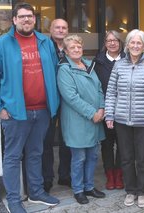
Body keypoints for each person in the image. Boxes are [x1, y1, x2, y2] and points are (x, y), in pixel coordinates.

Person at [0, 2, 60, 212]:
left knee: (36, 153)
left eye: (30, 16)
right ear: (14, 20)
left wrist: (54, 103)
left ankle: (36, 192)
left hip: (42, 110)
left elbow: (53, 70)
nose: (26, 19)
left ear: (35, 19)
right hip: (15, 113)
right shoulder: (3, 43)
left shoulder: (45, 42)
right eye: (22, 16)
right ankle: (14, 199)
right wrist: (0, 107)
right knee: (13, 156)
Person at [105, 29, 144, 208]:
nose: (135, 46)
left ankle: (142, 192)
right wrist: (109, 114)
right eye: (132, 43)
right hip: (122, 120)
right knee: (126, 158)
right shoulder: (119, 65)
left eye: (139, 43)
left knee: (143, 159)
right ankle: (131, 190)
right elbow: (111, 92)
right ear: (127, 45)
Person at [57, 34, 106, 204]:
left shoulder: (88, 65)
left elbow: (99, 88)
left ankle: (89, 187)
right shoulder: (64, 69)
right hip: (78, 121)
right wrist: (92, 113)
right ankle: (78, 189)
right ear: (65, 51)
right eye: (72, 47)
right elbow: (71, 97)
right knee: (79, 158)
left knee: (92, 156)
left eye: (78, 46)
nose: (76, 49)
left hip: (95, 118)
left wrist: (101, 107)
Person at [42, 18, 72, 193]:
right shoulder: (44, 46)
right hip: (49, 98)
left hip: (68, 99)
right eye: (57, 27)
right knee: (47, 139)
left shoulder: (71, 46)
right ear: (51, 29)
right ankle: (47, 178)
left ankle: (65, 175)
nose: (60, 30)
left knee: (66, 138)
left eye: (64, 27)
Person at [93, 30, 125, 190]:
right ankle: (110, 175)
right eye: (109, 40)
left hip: (125, 110)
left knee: (123, 144)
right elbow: (94, 87)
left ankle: (119, 174)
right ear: (105, 43)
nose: (112, 43)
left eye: (116, 40)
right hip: (105, 109)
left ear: (120, 43)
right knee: (106, 144)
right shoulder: (97, 62)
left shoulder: (128, 59)